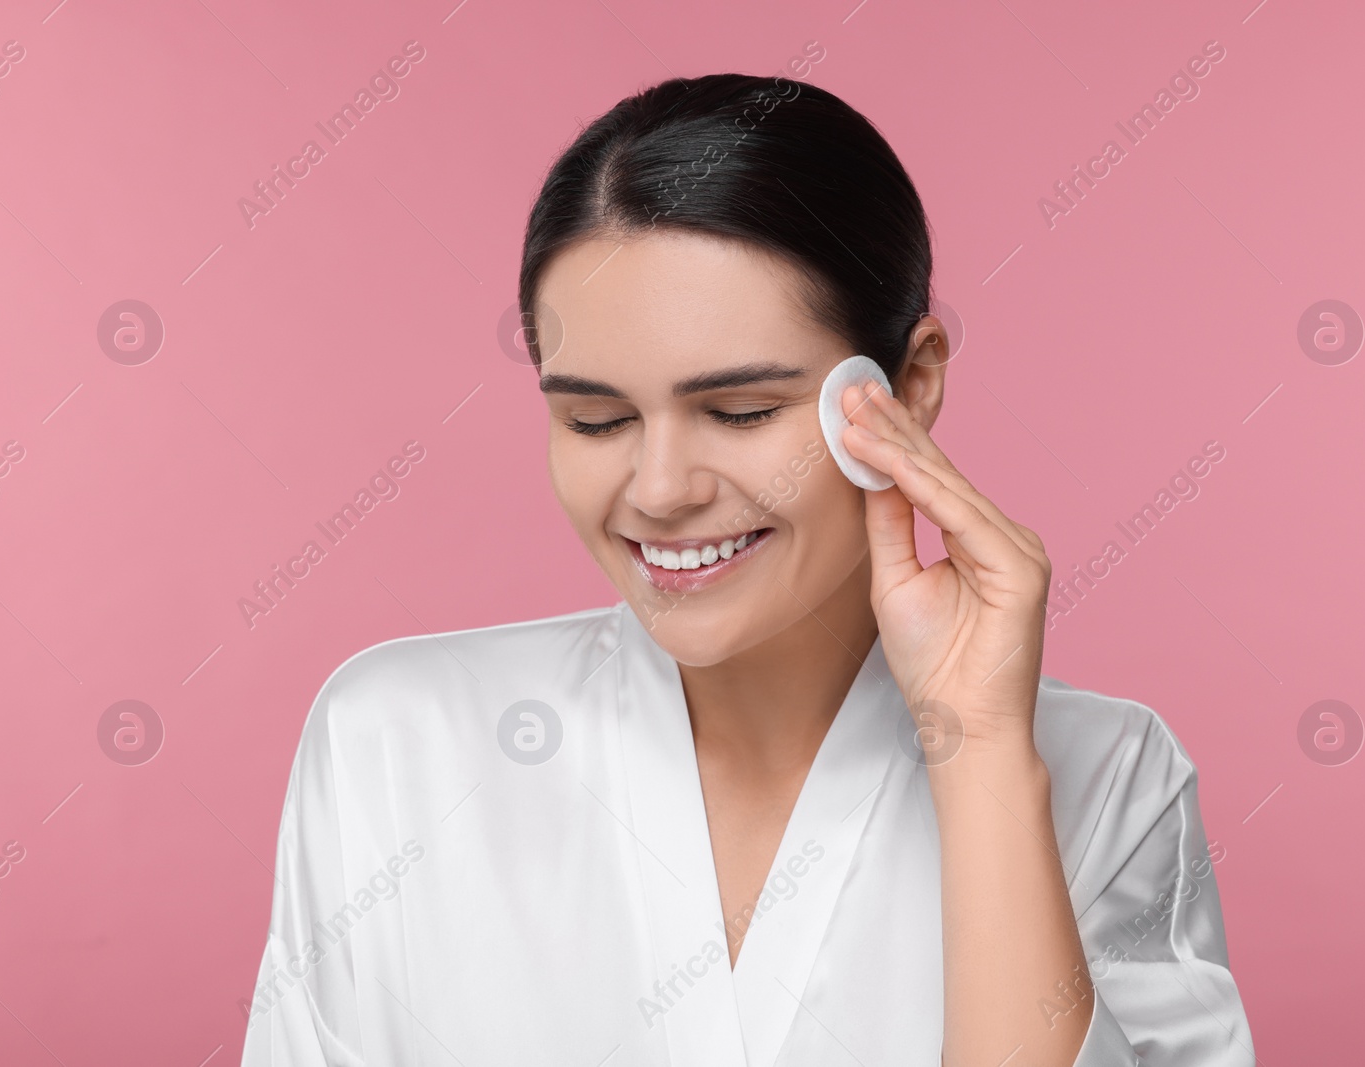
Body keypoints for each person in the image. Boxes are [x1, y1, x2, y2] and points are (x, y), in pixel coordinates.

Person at [238, 73, 1254, 1066]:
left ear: (909, 382)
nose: (661, 486)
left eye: (740, 412)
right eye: (596, 418)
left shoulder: (1110, 777)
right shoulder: (395, 740)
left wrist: (979, 748)